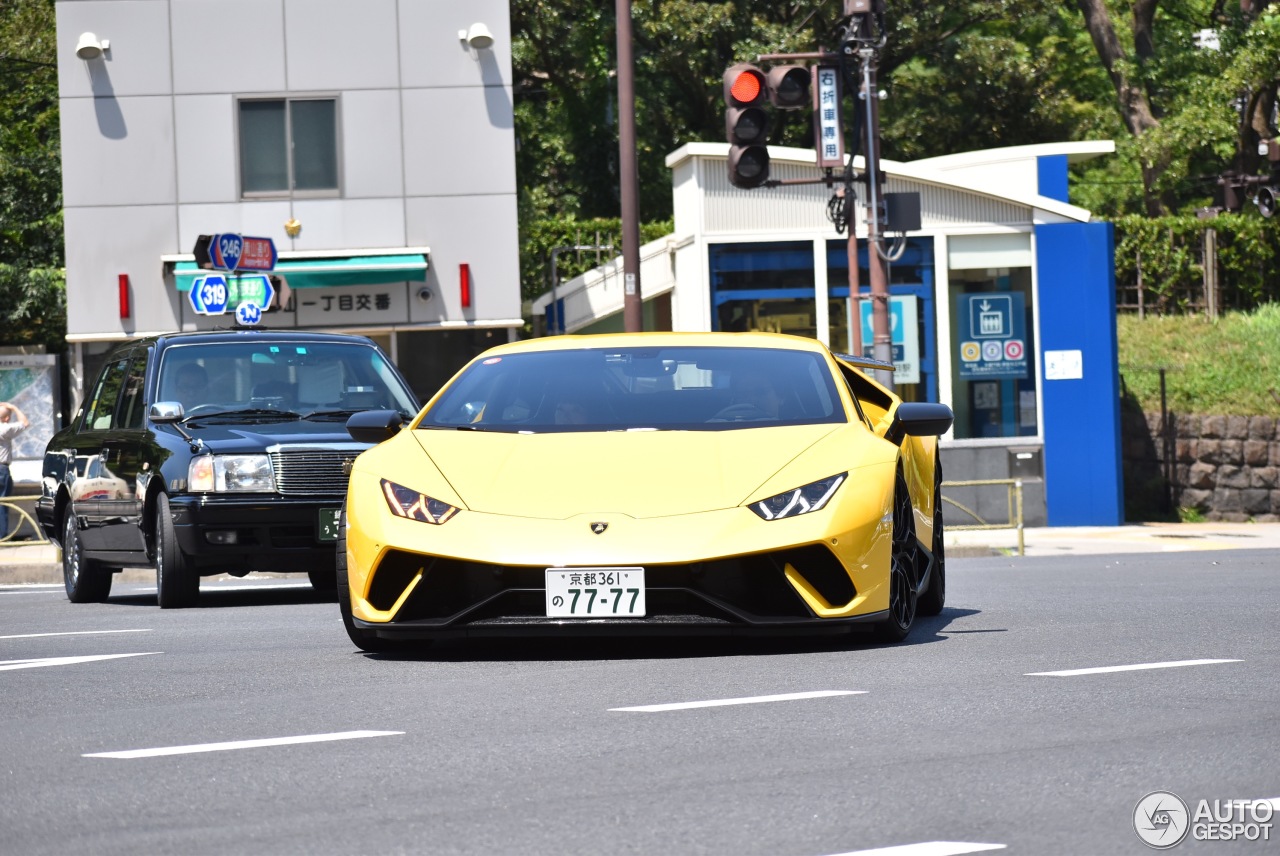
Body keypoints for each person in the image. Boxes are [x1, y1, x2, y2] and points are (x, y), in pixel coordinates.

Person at [0, 401, 31, 540]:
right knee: (2, 503)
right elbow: (25, 422)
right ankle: (2, 537)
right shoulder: (5, 429)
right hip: (2, 470)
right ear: (6, 418)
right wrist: (13, 407)